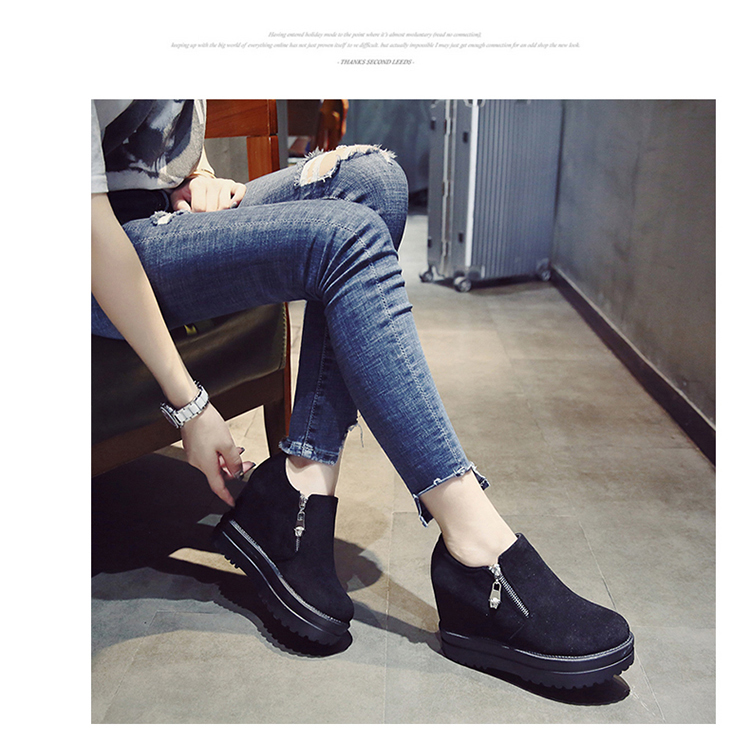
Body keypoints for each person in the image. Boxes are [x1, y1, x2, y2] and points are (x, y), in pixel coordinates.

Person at [92, 99, 634, 689]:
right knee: (346, 237)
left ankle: (301, 485)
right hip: (99, 249)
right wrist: (191, 406)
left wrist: (196, 174)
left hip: (165, 213)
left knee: (376, 180)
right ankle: (475, 545)